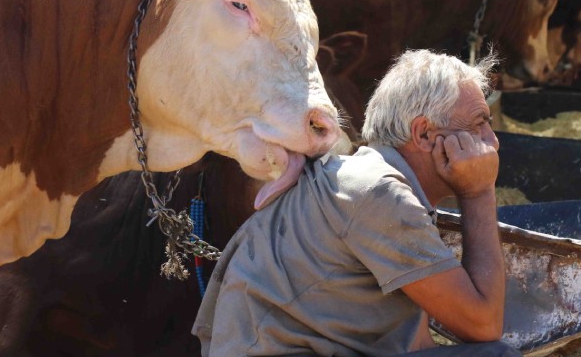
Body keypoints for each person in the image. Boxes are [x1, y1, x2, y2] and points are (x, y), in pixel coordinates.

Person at [192, 49, 520, 356]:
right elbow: (483, 326)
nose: (492, 142)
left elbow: (413, 338)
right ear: (423, 134)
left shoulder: (367, 179)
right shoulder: (379, 194)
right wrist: (478, 192)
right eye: (479, 124)